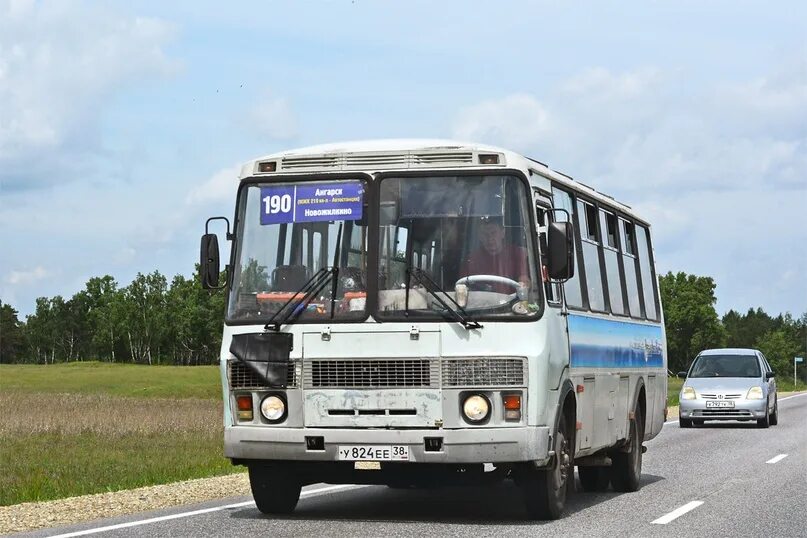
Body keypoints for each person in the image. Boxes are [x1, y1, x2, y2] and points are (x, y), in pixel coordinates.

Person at [460, 217, 530, 289]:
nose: (490, 238)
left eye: (493, 233)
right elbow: (463, 287)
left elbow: (524, 279)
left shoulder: (517, 254)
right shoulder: (471, 260)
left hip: (512, 299)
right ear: (480, 237)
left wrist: (523, 285)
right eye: (485, 234)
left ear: (502, 233)